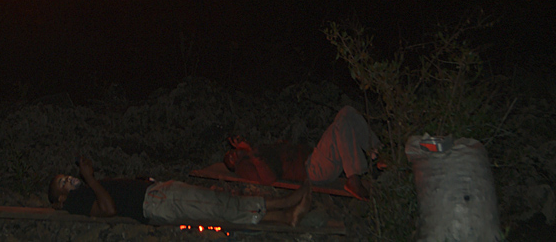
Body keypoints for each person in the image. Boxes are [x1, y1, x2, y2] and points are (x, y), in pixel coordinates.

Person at [49, 155, 312, 227]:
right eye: (63, 183)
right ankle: (287, 202)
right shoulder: (78, 201)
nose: (70, 180)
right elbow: (108, 210)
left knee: (220, 208)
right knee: (220, 204)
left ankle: (284, 217)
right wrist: (90, 179)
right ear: (61, 199)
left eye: (67, 177)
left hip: (157, 195)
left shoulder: (84, 193)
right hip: (156, 202)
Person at [223, 105, 381, 201]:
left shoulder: (257, 151)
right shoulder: (246, 166)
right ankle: (353, 178)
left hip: (315, 159)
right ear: (235, 166)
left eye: (231, 152)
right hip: (312, 171)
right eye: (230, 160)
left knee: (347, 112)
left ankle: (379, 154)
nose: (232, 155)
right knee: (341, 125)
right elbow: (268, 179)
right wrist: (250, 151)